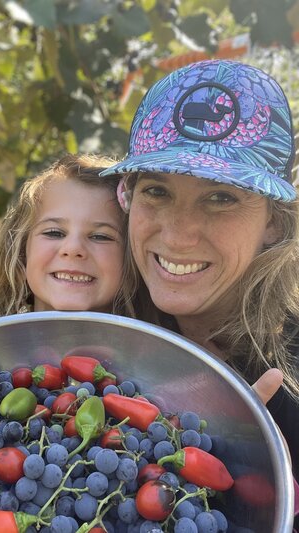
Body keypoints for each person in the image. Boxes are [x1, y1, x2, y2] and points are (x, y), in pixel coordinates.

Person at [99, 59, 299, 482]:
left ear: (273, 222)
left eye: (221, 198)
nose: (177, 235)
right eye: (157, 190)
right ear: (128, 199)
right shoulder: (100, 328)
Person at [0, 153, 137, 328]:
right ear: (21, 252)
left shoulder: (156, 353)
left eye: (100, 236)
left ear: (132, 258)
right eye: (54, 233)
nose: (72, 249)